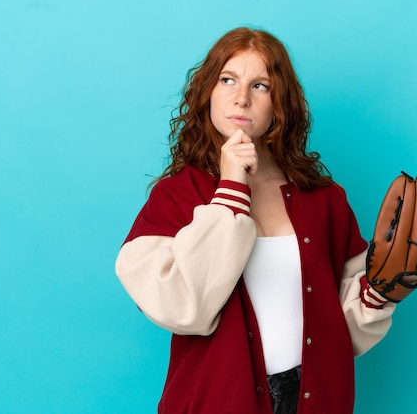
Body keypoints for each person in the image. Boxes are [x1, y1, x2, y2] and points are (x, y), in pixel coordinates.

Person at [115, 27, 396, 414]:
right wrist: (232, 185)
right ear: (208, 93)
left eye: (260, 85)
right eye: (227, 79)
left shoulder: (324, 198)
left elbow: (341, 328)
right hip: (218, 401)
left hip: (314, 399)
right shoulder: (176, 196)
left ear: (280, 103)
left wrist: (386, 288)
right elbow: (186, 310)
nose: (241, 98)